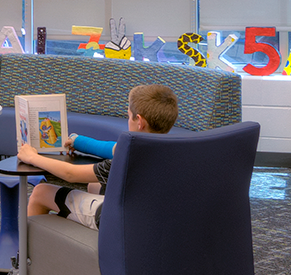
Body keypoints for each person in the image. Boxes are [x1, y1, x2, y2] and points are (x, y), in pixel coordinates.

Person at [18, 83, 178, 231]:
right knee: (93, 184)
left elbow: (70, 174)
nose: (128, 120)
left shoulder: (128, 158)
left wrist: (32, 157)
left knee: (40, 192)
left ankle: (25, 258)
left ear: (140, 122)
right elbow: (111, 148)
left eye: (129, 117)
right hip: (149, 212)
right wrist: (78, 141)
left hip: (122, 220)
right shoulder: (171, 148)